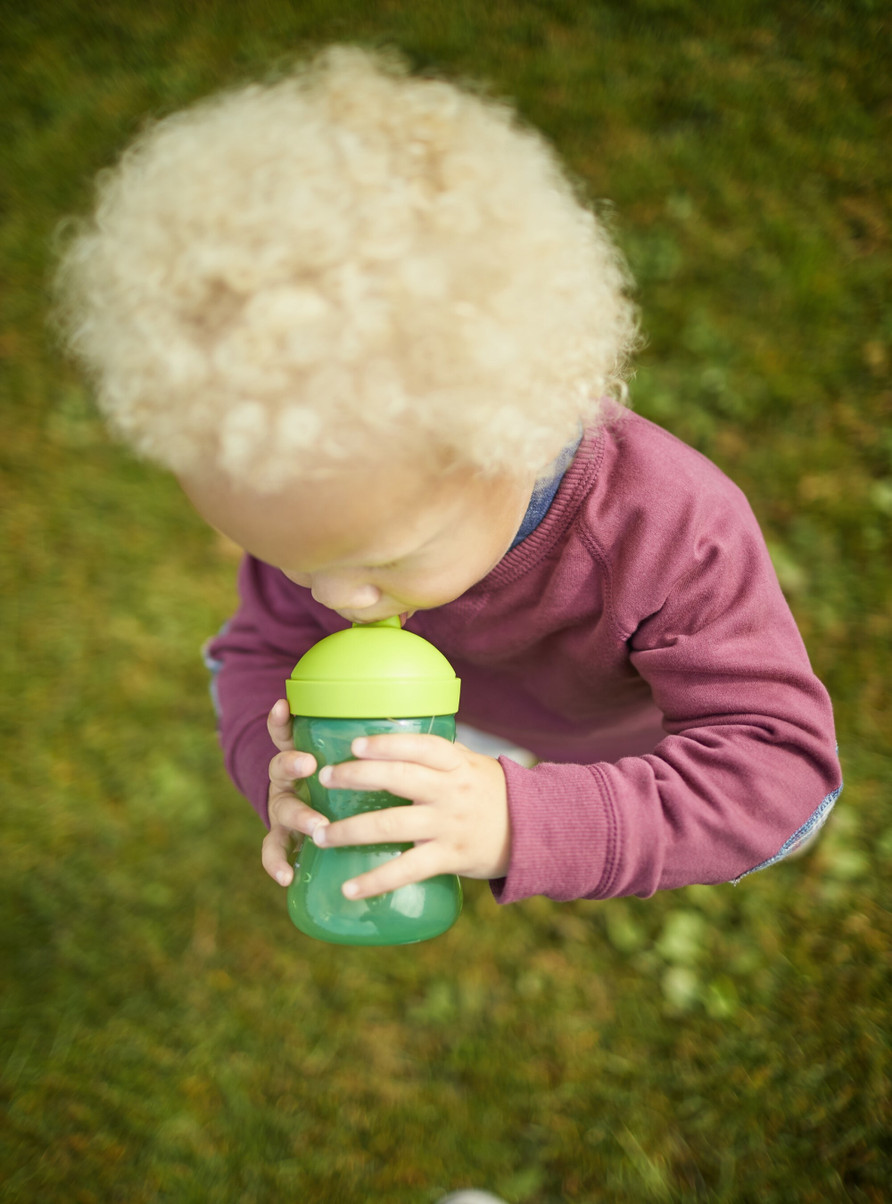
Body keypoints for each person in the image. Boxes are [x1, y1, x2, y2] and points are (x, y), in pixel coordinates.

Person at [54, 45, 842, 910]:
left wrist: (518, 820)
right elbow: (255, 654)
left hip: (628, 739)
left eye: (382, 559)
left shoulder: (667, 532)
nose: (337, 599)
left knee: (581, 789)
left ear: (519, 432)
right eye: (286, 560)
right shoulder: (325, 524)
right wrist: (268, 764)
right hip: (475, 711)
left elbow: (785, 783)